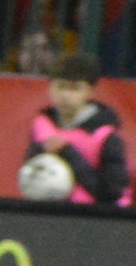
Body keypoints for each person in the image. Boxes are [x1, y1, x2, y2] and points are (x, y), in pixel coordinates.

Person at [25, 51, 131, 206]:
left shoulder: (106, 135)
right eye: (60, 87)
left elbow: (112, 192)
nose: (65, 95)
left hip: (96, 215)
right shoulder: (41, 126)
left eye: (75, 89)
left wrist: (67, 153)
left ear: (90, 91)